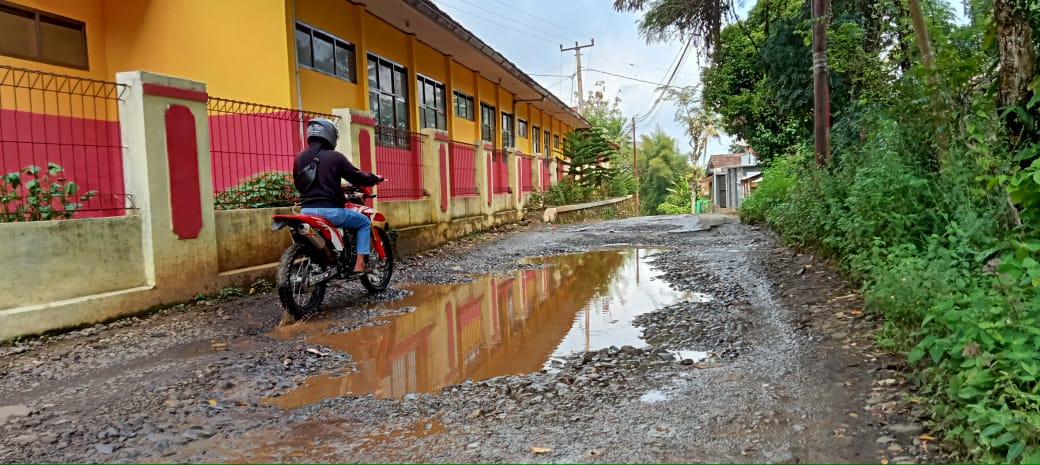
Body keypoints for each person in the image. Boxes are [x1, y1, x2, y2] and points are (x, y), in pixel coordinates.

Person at [293, 118, 384, 273]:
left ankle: (329, 259)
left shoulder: (299, 158)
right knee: (363, 222)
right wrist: (374, 178)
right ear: (330, 135)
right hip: (331, 212)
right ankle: (360, 264)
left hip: (306, 211)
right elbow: (356, 176)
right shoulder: (335, 157)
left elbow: (299, 184)